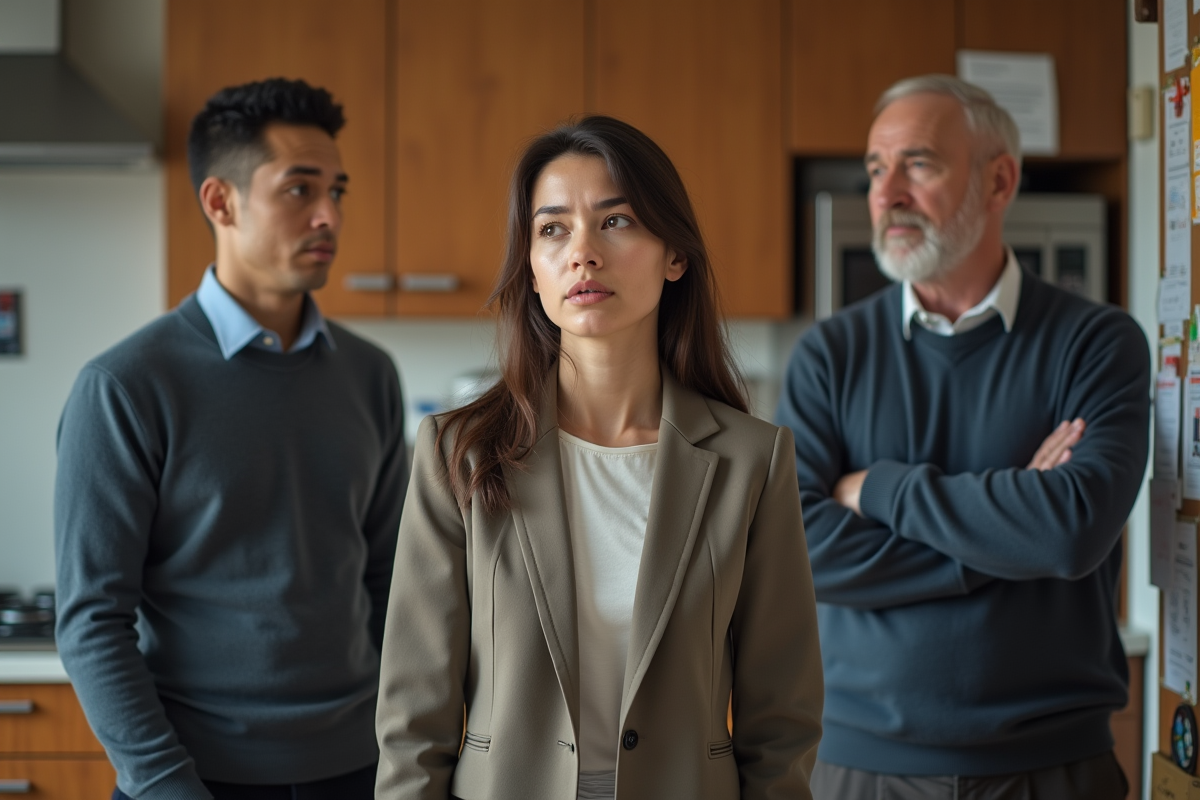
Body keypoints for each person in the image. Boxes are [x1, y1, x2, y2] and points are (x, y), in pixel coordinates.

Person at [374, 115, 823, 800]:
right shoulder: (458, 453)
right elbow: (413, 718)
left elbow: (780, 720)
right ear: (530, 266)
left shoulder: (752, 461)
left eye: (615, 222)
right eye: (552, 229)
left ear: (675, 255)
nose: (582, 252)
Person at [776, 74, 1149, 799]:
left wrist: (874, 488)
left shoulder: (1098, 344)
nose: (886, 196)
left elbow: (1070, 531)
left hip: (1053, 770)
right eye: (877, 170)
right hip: (859, 771)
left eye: (919, 164)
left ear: (999, 180)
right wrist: (1009, 538)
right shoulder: (829, 355)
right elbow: (795, 551)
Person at [54, 78, 407, 800]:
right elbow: (93, 621)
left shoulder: (371, 375)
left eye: (337, 191)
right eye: (299, 190)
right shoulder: (125, 386)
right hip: (194, 779)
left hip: (360, 770)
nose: (328, 215)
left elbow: (389, 583)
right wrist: (167, 786)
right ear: (221, 201)